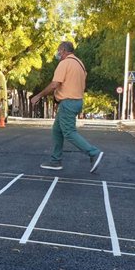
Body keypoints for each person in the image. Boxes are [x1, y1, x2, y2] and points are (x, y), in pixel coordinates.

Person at [30, 42, 104, 173]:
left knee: (69, 132)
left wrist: (39, 95)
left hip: (68, 102)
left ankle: (94, 152)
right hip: (76, 101)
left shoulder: (64, 63)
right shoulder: (80, 64)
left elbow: (55, 84)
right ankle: (55, 161)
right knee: (57, 130)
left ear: (63, 50)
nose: (57, 53)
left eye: (58, 51)